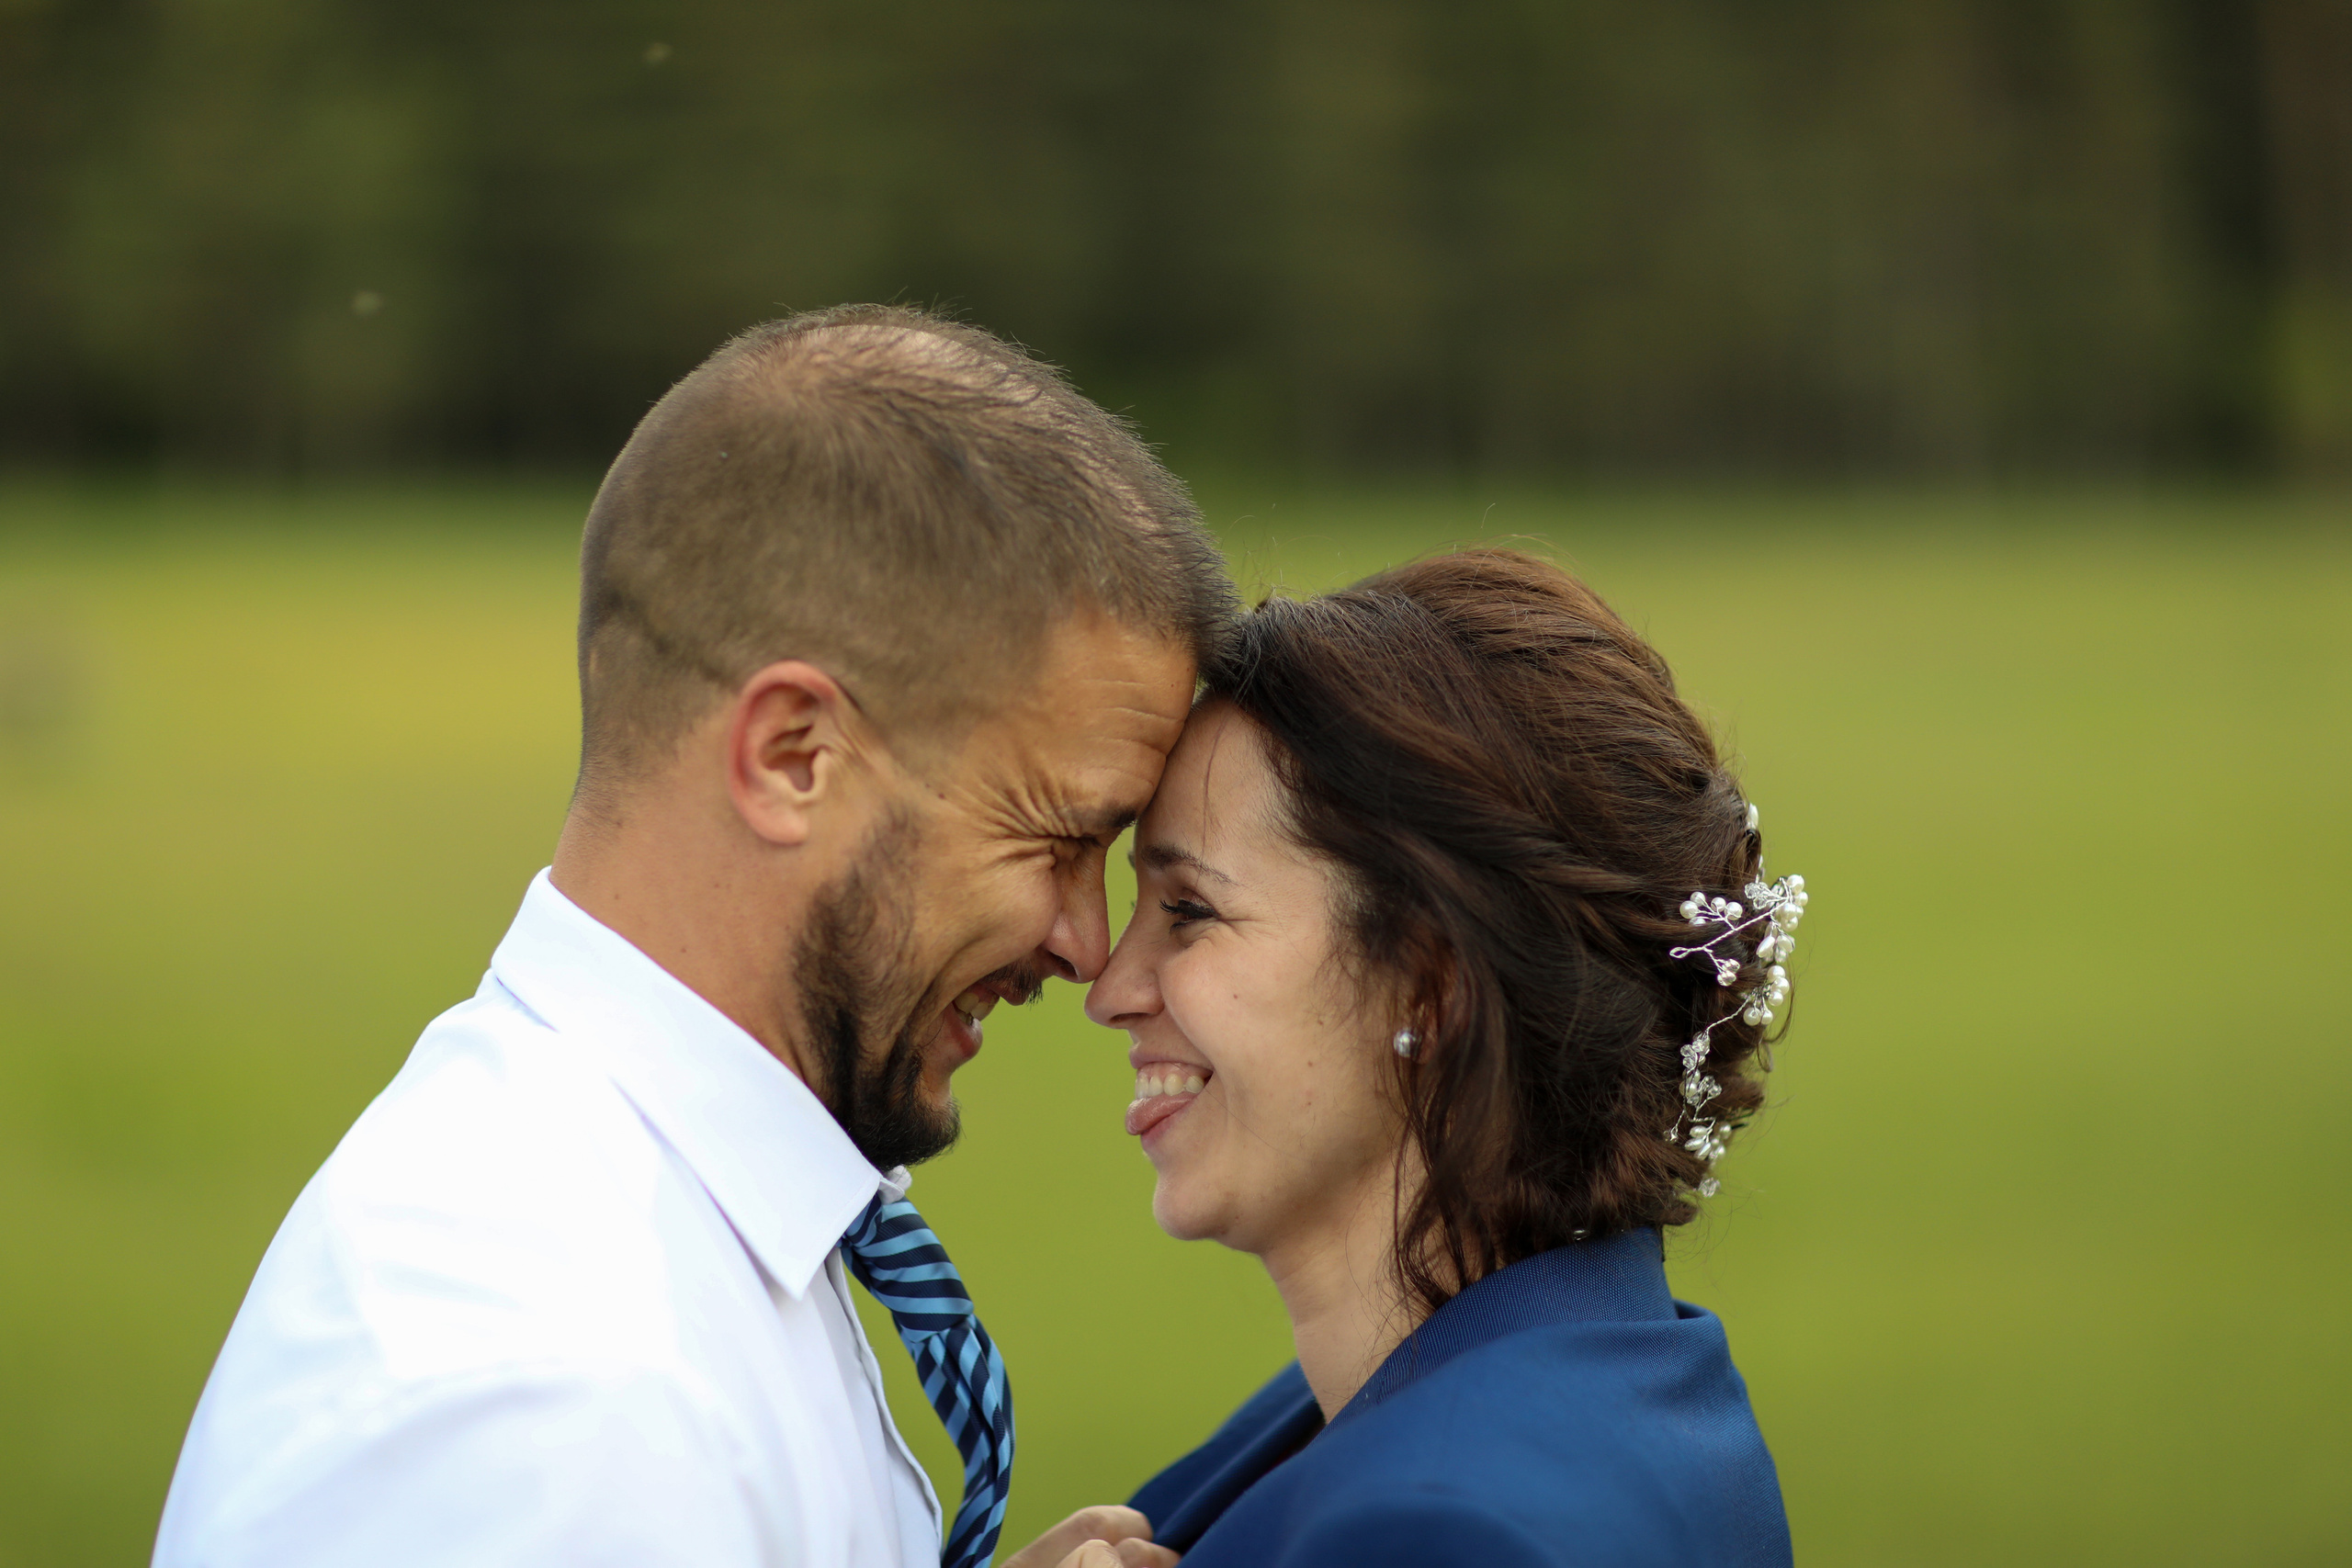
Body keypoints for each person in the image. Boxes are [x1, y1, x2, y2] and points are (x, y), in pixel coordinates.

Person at [153, 306, 1233, 1568]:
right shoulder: (555, 1417)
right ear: (793, 756)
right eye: (1054, 835)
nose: (1088, 947)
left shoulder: (650, 1254)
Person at [1089, 549, 1801, 1567]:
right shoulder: (1620, 1368)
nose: (1110, 990)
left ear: (1433, 984)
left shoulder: (1436, 1530)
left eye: (1189, 911)